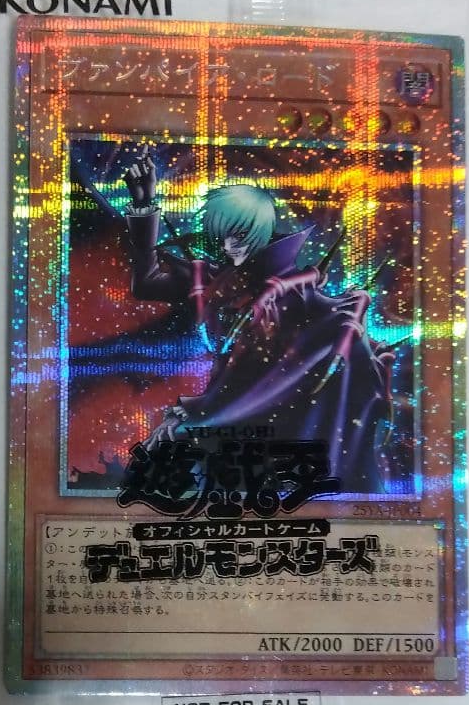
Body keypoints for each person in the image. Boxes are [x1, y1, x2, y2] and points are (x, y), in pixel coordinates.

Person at [122, 149, 394, 494]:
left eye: (238, 235)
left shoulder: (297, 292)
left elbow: (314, 349)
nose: (227, 246)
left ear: (260, 231)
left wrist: (194, 413)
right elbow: (146, 283)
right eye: (221, 235)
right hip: (227, 416)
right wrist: (144, 205)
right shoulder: (213, 279)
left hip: (275, 419)